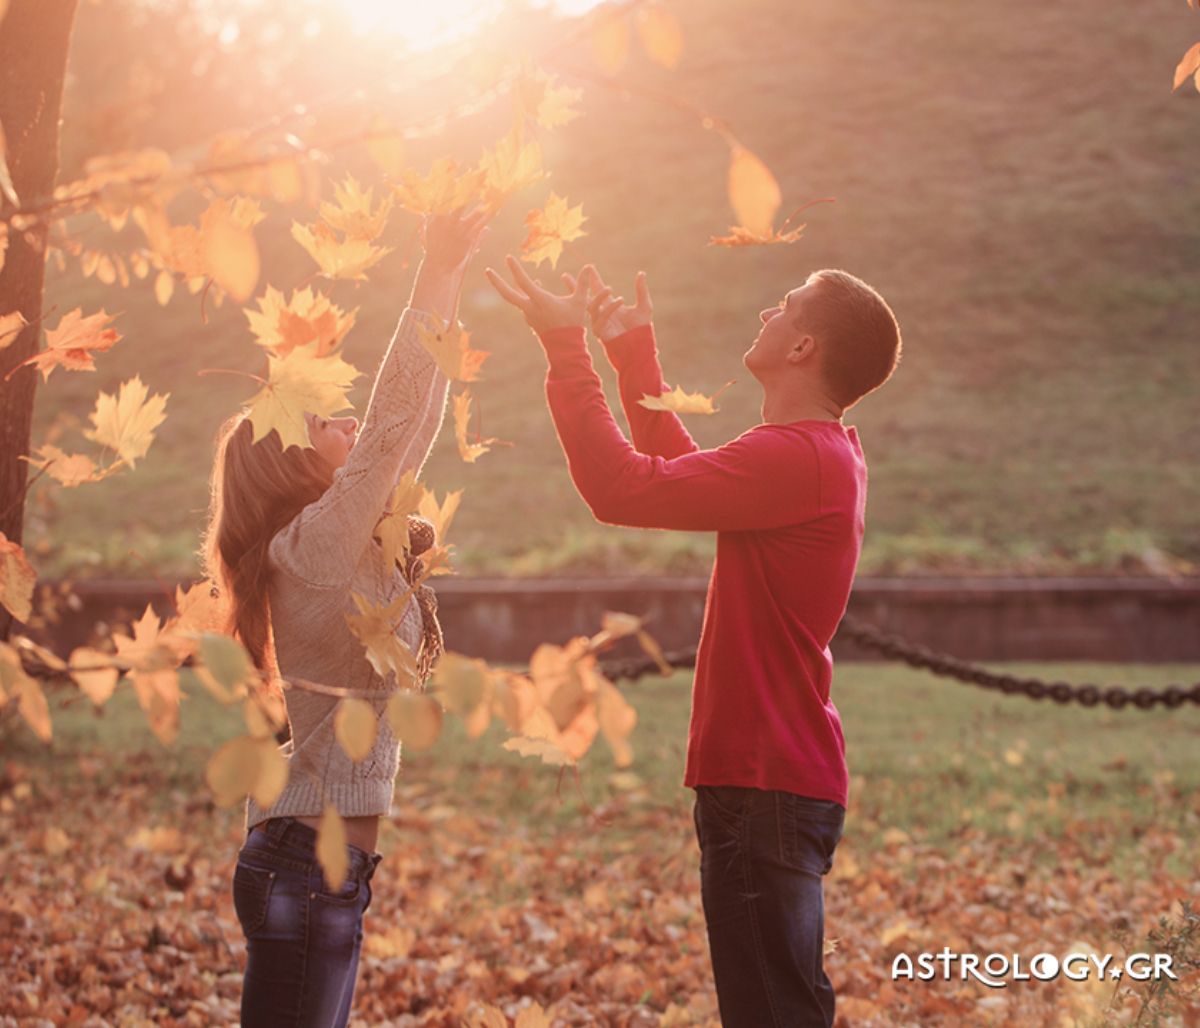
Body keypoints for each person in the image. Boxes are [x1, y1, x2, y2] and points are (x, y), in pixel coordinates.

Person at [486, 256, 901, 1028]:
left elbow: (621, 487)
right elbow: (686, 471)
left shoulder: (797, 457)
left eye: (784, 306)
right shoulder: (815, 454)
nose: (765, 315)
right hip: (775, 780)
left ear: (804, 347)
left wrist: (564, 347)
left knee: (772, 1014)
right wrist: (631, 355)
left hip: (764, 783)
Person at [202, 207, 489, 1028]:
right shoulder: (313, 546)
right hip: (305, 867)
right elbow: (393, 422)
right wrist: (431, 266)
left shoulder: (342, 541)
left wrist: (453, 268)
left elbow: (411, 427)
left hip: (322, 868)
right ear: (291, 457)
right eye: (326, 424)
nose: (347, 424)